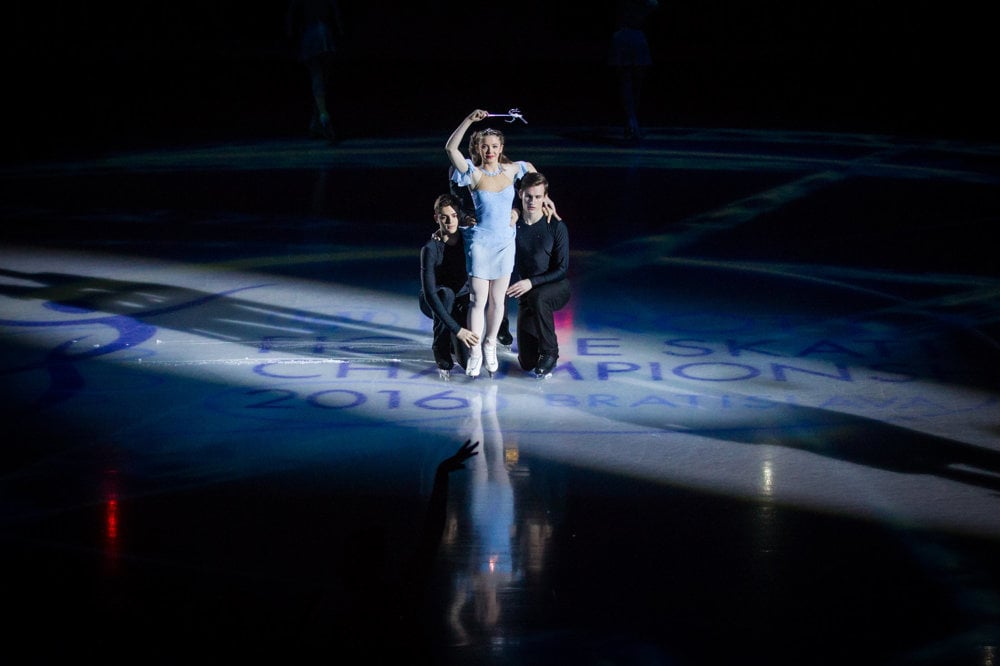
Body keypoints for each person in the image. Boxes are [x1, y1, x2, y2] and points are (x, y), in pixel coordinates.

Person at [446, 109, 536, 377]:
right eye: (485, 147)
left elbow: (534, 178)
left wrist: (520, 210)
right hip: (480, 243)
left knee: (498, 301)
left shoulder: (512, 169)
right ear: (478, 148)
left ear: (501, 148)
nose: (490, 151)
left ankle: (489, 344)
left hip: (505, 243)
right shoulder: (472, 173)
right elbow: (450, 148)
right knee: (477, 299)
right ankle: (474, 350)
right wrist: (469, 120)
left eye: (495, 146)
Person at [505, 172, 570, 378]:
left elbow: (561, 269)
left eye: (538, 197)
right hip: (528, 294)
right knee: (527, 363)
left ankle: (551, 352)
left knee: (539, 296)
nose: (533, 201)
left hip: (555, 287)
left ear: (545, 197)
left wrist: (531, 282)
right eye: (528, 196)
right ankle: (538, 353)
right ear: (521, 194)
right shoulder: (513, 225)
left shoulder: (556, 225)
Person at [419, 194, 480, 378]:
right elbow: (430, 294)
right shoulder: (430, 249)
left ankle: (455, 341)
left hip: (459, 302)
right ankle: (440, 344)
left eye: (454, 215)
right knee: (446, 295)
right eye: (444, 216)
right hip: (434, 300)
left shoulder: (467, 240)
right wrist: (458, 330)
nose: (450, 221)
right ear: (437, 218)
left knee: (465, 361)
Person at [286, 0, 345, 142]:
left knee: (318, 78)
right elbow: (337, 17)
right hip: (324, 34)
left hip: (311, 35)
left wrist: (291, 34)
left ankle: (321, 118)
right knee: (320, 80)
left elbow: (290, 17)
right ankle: (318, 120)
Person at [609, 0, 658, 140]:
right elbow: (653, 5)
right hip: (632, 36)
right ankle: (632, 121)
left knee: (628, 83)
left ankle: (631, 121)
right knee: (634, 83)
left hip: (627, 35)